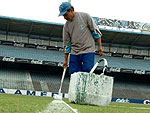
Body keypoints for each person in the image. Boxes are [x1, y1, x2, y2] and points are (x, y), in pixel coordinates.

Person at [58, 2, 103, 75]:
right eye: (63, 15)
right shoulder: (66, 27)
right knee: (73, 74)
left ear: (71, 10)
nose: (64, 17)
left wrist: (100, 47)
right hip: (75, 52)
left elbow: (95, 32)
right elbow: (67, 45)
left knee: (88, 70)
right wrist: (65, 60)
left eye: (65, 14)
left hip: (88, 49)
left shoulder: (85, 16)